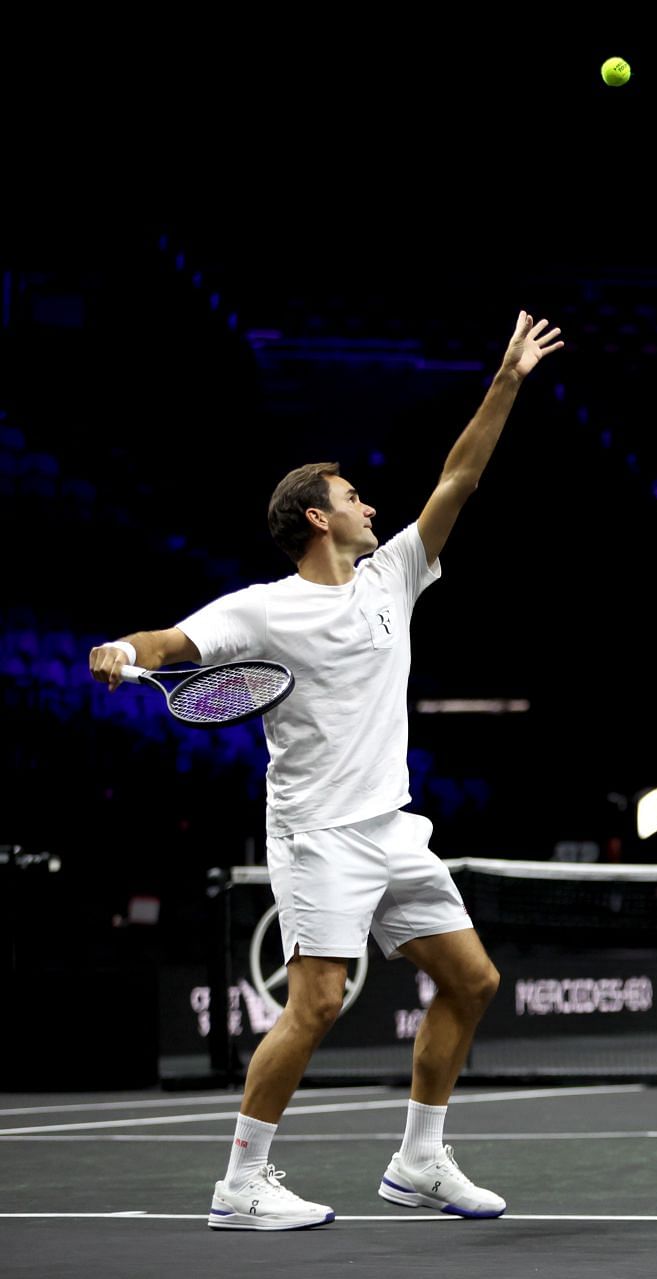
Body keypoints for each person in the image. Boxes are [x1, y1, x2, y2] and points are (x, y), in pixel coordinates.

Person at [88, 311, 563, 1230]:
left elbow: (459, 476)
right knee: (318, 1001)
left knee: (472, 980)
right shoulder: (264, 611)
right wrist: (120, 647)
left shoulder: (394, 575)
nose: (371, 504)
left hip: (392, 824)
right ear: (318, 515)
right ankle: (239, 1183)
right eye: (352, 495)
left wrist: (507, 378)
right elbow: (173, 643)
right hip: (319, 834)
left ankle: (419, 1161)